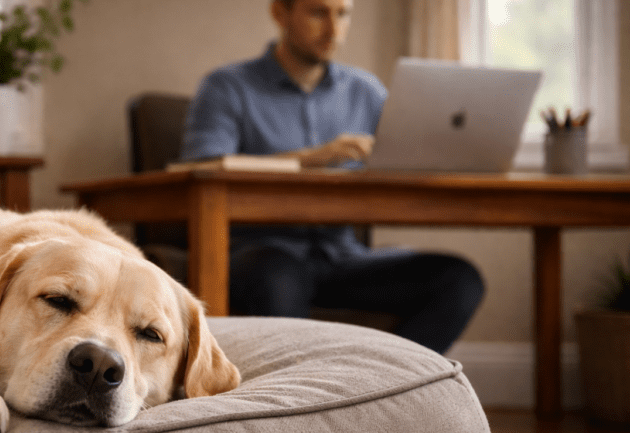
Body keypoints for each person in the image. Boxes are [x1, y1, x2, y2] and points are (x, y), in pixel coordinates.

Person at [180, 0, 484, 354]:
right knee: (279, 276)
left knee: (459, 280)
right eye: (318, 12)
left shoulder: (367, 92)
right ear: (280, 13)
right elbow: (201, 169)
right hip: (262, 255)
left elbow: (404, 163)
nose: (333, 28)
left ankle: (378, 384)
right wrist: (313, 158)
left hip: (344, 257)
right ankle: (300, 399)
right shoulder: (227, 87)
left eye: (343, 14)